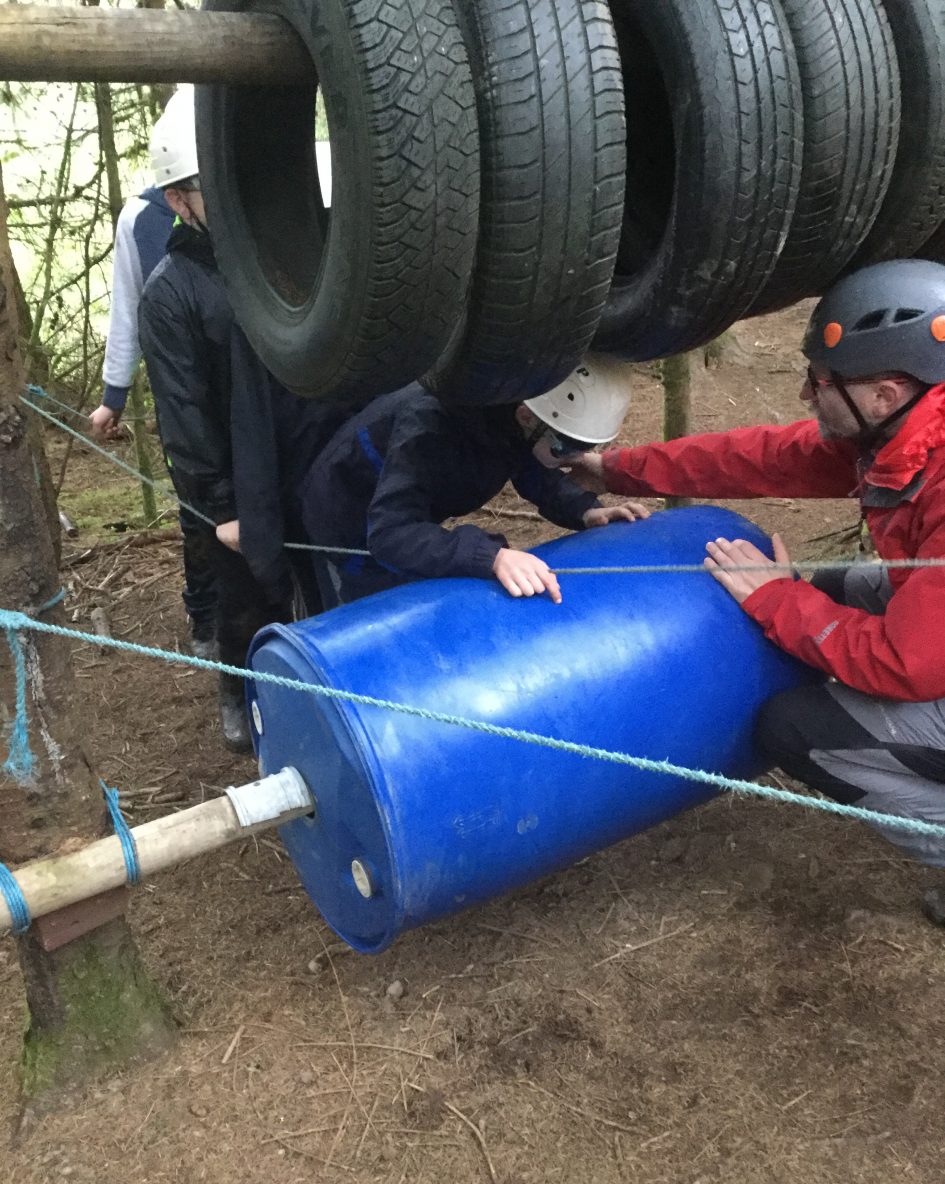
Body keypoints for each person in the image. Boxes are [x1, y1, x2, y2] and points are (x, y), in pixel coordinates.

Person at [565, 259, 945, 908]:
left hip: (926, 658)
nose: (804, 395)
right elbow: (766, 457)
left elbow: (906, 664)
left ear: (884, 394)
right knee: (828, 595)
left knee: (795, 727)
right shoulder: (908, 430)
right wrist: (618, 470)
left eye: (819, 382)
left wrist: (776, 598)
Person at [137, 87, 346, 752]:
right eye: (210, 186)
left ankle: (332, 696)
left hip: (311, 452)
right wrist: (221, 507)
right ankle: (238, 692)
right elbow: (184, 414)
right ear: (179, 200)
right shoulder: (171, 293)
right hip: (236, 477)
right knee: (247, 597)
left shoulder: (286, 250)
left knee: (326, 580)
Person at [297, 355, 649, 609]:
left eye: (585, 448)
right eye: (566, 446)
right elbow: (390, 534)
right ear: (527, 416)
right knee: (374, 618)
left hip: (400, 509)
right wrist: (490, 556)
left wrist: (584, 510)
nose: (574, 458)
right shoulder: (429, 429)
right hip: (348, 522)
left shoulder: (512, 410)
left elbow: (528, 464)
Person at [88, 86, 218, 659]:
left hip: (251, 383)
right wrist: (114, 394)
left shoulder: (250, 204)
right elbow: (128, 308)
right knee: (198, 510)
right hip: (182, 391)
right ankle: (206, 619)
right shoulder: (140, 219)